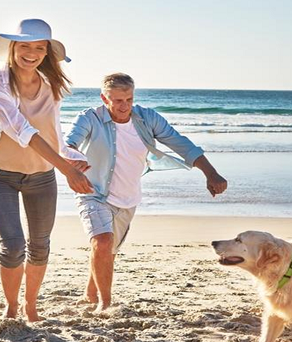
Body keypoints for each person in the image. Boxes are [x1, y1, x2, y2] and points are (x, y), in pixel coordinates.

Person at [64, 73, 227, 313]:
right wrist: (72, 165)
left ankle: (90, 293)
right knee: (102, 241)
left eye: (128, 99)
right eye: (117, 100)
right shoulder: (89, 118)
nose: (124, 106)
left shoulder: (147, 118)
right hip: (92, 191)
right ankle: (104, 304)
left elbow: (180, 143)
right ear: (104, 98)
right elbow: (69, 144)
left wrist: (210, 173)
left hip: (127, 197)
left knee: (108, 250)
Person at [0, 19, 93, 322]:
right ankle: (11, 307)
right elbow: (20, 130)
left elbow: (51, 130)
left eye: (39, 48)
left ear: (47, 52)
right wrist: (67, 170)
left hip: (41, 175)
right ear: (12, 47)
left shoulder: (52, 85)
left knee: (40, 246)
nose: (31, 53)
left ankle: (31, 307)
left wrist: (69, 156)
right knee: (12, 246)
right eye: (25, 46)